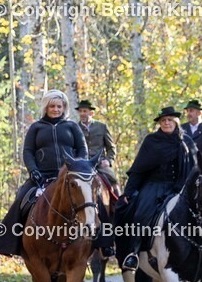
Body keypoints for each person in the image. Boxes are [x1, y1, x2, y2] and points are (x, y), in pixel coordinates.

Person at [0, 90, 88, 256]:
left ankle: (103, 242)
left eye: (59, 106)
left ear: (64, 107)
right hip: (42, 176)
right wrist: (33, 171)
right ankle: (10, 243)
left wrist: (78, 168)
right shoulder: (36, 127)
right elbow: (28, 152)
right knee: (21, 198)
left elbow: (83, 149)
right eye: (52, 106)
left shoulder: (72, 126)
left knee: (92, 199)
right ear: (46, 107)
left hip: (70, 177)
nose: (56, 109)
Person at [117, 106, 195, 271]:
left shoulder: (186, 141)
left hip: (180, 186)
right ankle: (134, 253)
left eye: (169, 120)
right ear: (159, 123)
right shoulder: (151, 141)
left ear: (176, 122)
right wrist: (129, 191)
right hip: (154, 185)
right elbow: (139, 168)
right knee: (140, 213)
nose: (166, 123)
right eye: (163, 120)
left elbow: (193, 168)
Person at [76, 100, 118, 185]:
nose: (82, 114)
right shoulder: (75, 128)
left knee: (113, 180)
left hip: (99, 164)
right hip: (81, 164)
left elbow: (111, 148)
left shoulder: (102, 126)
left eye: (85, 111)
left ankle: (120, 198)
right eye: (80, 111)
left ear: (91, 113)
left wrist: (108, 161)